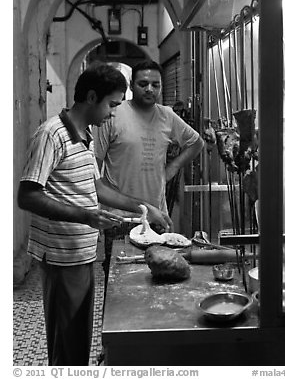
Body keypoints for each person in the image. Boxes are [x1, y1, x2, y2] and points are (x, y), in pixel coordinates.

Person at [17, 63, 170, 366]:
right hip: (62, 258)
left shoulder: (84, 135)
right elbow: (28, 195)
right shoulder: (53, 134)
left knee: (79, 340)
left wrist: (143, 207)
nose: (114, 112)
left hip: (83, 254)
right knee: (68, 345)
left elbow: (97, 187)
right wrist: (85, 216)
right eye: (112, 104)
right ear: (90, 97)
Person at [93, 60, 204, 231]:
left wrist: (172, 168)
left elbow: (196, 143)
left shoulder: (167, 115)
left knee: (159, 257)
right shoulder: (113, 113)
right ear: (131, 85)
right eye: (143, 84)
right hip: (119, 216)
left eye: (155, 85)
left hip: (156, 215)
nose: (149, 89)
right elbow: (94, 170)